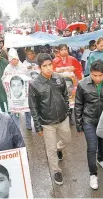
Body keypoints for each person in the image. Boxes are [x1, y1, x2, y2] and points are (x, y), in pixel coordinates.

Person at [28, 53, 71, 185]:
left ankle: (60, 148)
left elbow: (65, 95)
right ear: (40, 67)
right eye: (44, 66)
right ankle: (56, 171)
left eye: (50, 65)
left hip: (63, 119)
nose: (48, 68)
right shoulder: (34, 84)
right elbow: (33, 106)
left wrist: (67, 109)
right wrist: (37, 125)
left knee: (67, 140)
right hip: (47, 123)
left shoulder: (59, 78)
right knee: (50, 149)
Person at [75, 59, 103, 190]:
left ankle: (101, 159)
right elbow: (78, 104)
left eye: (100, 75)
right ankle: (93, 174)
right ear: (90, 73)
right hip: (89, 120)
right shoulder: (82, 84)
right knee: (92, 147)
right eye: (94, 75)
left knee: (102, 143)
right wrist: (79, 124)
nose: (97, 78)